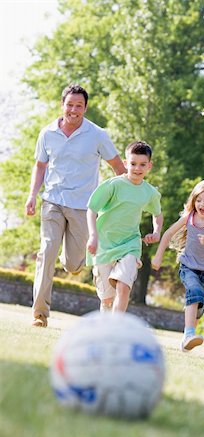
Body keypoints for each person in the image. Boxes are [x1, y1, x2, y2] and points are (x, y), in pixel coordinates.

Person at [25, 84, 126, 327]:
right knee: (46, 252)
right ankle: (40, 314)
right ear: (62, 105)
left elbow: (118, 167)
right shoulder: (47, 133)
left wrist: (119, 199)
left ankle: (67, 257)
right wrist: (32, 196)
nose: (73, 110)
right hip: (52, 201)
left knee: (73, 264)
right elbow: (40, 166)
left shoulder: (97, 135)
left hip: (83, 207)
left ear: (85, 108)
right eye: (69, 104)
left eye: (78, 106)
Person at [152, 179, 204, 352]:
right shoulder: (189, 217)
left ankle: (187, 340)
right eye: (198, 200)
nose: (201, 204)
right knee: (194, 292)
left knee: (199, 307)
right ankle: (188, 334)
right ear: (194, 201)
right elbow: (167, 234)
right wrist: (158, 256)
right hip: (188, 266)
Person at [86, 140, 163, 313]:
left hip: (130, 244)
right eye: (133, 164)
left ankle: (116, 328)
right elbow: (91, 210)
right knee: (107, 299)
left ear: (149, 166)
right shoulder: (113, 185)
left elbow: (157, 214)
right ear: (126, 163)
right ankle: (105, 328)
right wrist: (93, 236)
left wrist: (156, 231)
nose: (137, 168)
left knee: (124, 286)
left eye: (142, 164)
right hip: (104, 244)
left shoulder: (149, 192)